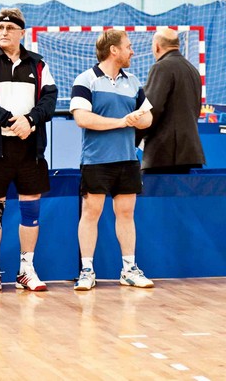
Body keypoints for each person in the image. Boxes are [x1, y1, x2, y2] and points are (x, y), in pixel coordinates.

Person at [0, 8, 58, 293]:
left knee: (30, 209)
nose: (4, 32)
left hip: (30, 149)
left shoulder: (39, 64)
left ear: (22, 33)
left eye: (10, 28)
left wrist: (30, 121)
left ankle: (26, 269)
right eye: (0, 28)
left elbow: (50, 100)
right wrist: (14, 122)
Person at [69, 29, 156, 290]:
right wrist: (121, 122)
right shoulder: (86, 80)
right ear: (114, 50)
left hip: (127, 159)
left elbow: (148, 117)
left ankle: (129, 269)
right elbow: (82, 118)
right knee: (91, 213)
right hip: (96, 160)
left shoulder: (133, 82)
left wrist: (138, 118)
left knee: (126, 213)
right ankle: (87, 271)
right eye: (128, 47)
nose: (132, 52)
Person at [140, 27, 205, 174]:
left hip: (164, 155)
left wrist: (132, 139)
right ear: (177, 44)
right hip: (191, 153)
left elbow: (152, 109)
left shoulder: (161, 67)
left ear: (157, 46)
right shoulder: (193, 70)